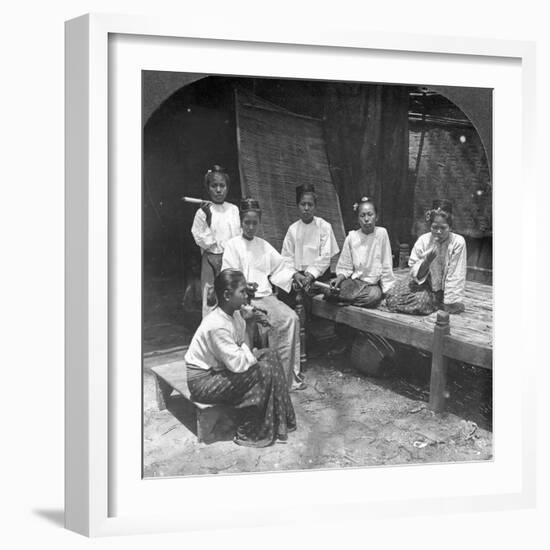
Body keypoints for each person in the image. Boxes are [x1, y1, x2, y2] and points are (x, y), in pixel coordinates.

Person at [185, 269, 296, 447]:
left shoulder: (235, 314)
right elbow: (240, 364)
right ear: (228, 295)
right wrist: (250, 325)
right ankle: (251, 431)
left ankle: (280, 422)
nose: (247, 296)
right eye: (242, 292)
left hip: (221, 370)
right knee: (264, 369)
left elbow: (244, 351)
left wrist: (250, 322)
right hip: (203, 382)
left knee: (271, 355)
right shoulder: (216, 325)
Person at [222, 198, 306, 391]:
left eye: (254, 223)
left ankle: (285, 379)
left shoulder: (263, 245)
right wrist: (242, 286)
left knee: (290, 318)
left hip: (265, 297)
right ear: (240, 222)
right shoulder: (232, 245)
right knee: (248, 320)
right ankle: (261, 379)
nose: (251, 227)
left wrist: (294, 274)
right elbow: (227, 276)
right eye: (247, 223)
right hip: (241, 300)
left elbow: (280, 267)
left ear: (259, 222)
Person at [385, 199, 467, 315]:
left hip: (444, 290)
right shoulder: (424, 240)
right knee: (393, 297)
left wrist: (449, 302)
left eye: (443, 228)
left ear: (450, 227)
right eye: (434, 227)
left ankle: (436, 303)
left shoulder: (457, 242)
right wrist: (427, 262)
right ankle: (431, 302)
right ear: (430, 226)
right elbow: (414, 274)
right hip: (422, 284)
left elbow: (456, 274)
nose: (438, 231)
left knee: (421, 301)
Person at [191, 165, 241, 313]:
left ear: (227, 187)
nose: (218, 190)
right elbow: (203, 240)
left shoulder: (233, 209)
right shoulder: (202, 212)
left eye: (222, 186)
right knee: (211, 300)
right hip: (211, 261)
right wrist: (209, 219)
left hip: (229, 260)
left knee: (231, 299)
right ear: (208, 188)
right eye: (214, 186)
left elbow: (237, 237)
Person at [328, 196, 395, 308]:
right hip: (355, 283)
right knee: (330, 289)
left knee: (374, 296)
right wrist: (339, 278)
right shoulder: (352, 237)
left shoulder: (381, 233)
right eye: (362, 215)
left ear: (376, 217)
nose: (366, 219)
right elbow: (345, 266)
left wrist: (386, 291)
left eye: (370, 214)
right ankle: (345, 298)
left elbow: (386, 264)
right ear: (358, 219)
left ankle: (344, 300)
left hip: (372, 285)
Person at [281, 183, 340, 294]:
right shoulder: (292, 229)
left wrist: (311, 275)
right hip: (299, 277)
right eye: (303, 204)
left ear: (315, 206)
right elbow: (287, 257)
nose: (306, 208)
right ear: (297, 205)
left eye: (310, 204)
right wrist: (296, 274)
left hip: (319, 277)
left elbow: (326, 257)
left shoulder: (324, 226)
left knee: (330, 293)